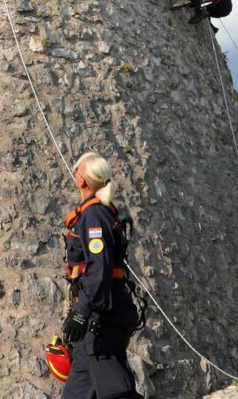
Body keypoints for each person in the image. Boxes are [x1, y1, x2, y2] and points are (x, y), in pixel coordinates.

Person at [62, 152, 142, 399]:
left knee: (116, 393)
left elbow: (100, 269)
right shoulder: (95, 213)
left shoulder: (94, 216)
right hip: (94, 326)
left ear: (81, 181)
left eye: (76, 171)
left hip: (102, 322)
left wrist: (80, 312)